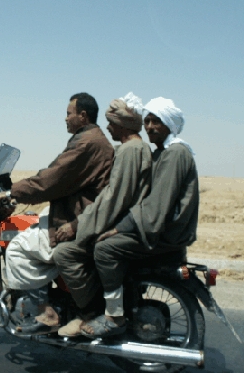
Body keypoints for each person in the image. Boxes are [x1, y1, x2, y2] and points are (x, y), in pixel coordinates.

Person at [0, 92, 114, 334]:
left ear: (83, 115)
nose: (65, 118)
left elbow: (51, 179)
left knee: (17, 248)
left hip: (77, 218)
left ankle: (45, 311)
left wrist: (12, 191)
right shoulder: (92, 139)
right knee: (35, 223)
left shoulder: (86, 144)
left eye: (69, 114)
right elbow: (55, 175)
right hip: (77, 210)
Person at [79, 97, 199, 338]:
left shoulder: (175, 154)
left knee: (104, 249)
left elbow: (156, 207)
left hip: (165, 234)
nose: (150, 127)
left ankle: (113, 316)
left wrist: (119, 228)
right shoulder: (163, 153)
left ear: (169, 125)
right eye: (147, 121)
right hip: (163, 229)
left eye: (157, 122)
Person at [52, 92, 152, 337]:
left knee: (64, 253)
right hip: (126, 223)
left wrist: (77, 225)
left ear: (123, 124)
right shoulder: (136, 148)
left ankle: (90, 312)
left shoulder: (130, 151)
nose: (108, 127)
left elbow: (113, 198)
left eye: (112, 123)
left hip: (120, 225)